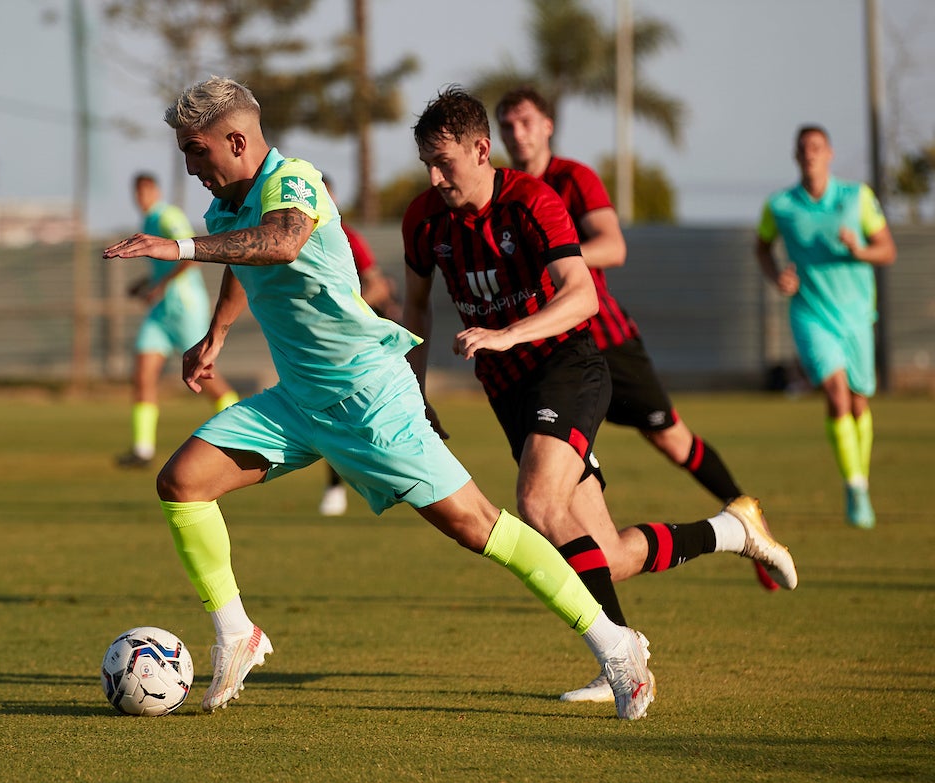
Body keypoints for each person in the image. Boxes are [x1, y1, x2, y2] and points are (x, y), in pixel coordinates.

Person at [103, 75, 656, 721]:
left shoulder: (294, 181)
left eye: (195, 150)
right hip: (300, 402)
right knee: (182, 482)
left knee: (479, 527)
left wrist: (175, 249)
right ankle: (236, 635)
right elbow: (246, 261)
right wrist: (216, 335)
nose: (188, 164)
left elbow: (280, 240)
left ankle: (617, 647)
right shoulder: (227, 202)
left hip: (369, 397)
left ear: (234, 139)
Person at [401, 87, 797, 703]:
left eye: (444, 161)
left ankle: (622, 659)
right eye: (426, 160)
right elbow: (417, 308)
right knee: (604, 555)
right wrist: (415, 390)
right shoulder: (424, 219)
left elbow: (581, 293)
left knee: (536, 500)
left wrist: (509, 334)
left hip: (569, 366)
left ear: (481, 151)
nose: (434, 176)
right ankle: (731, 530)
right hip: (508, 390)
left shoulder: (534, 201)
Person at [493, 87, 779, 592]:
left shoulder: (571, 178)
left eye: (526, 122)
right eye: (508, 124)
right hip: (548, 354)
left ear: (547, 125)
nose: (517, 133)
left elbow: (614, 245)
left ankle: (747, 518)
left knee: (672, 438)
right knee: (555, 486)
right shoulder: (501, 190)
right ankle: (611, 627)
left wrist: (551, 253)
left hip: (605, 341)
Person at [755, 125, 897, 529]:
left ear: (830, 153)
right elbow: (761, 248)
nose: (810, 155)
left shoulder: (857, 198)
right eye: (803, 149)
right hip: (811, 314)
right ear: (796, 156)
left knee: (857, 400)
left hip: (856, 315)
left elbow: (888, 250)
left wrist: (860, 249)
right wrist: (777, 276)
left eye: (817, 148)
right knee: (835, 395)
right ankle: (855, 487)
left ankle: (861, 476)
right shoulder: (780, 205)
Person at [115, 172, 238, 469]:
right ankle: (143, 449)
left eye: (146, 191)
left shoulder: (167, 216)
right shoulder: (145, 222)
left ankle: (242, 432)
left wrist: (158, 287)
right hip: (160, 312)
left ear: (155, 191)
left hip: (183, 307)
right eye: (138, 192)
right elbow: (163, 265)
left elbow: (188, 254)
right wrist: (145, 283)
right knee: (143, 373)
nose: (142, 197)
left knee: (205, 373)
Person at [317, 175, 401, 517]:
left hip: (360, 341)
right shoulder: (292, 236)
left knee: (371, 418)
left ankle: (386, 480)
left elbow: (380, 287)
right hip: (324, 345)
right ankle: (337, 488)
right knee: (331, 417)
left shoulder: (346, 236)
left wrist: (347, 313)